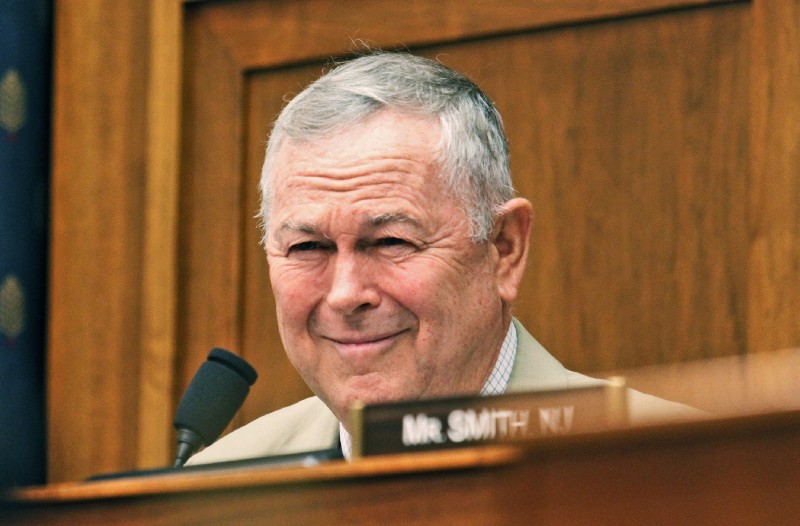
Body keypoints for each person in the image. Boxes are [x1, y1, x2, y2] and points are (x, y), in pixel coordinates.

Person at [188, 52, 698, 465]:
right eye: (308, 247)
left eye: (390, 242)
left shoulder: (675, 469)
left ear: (504, 249)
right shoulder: (217, 489)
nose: (345, 295)